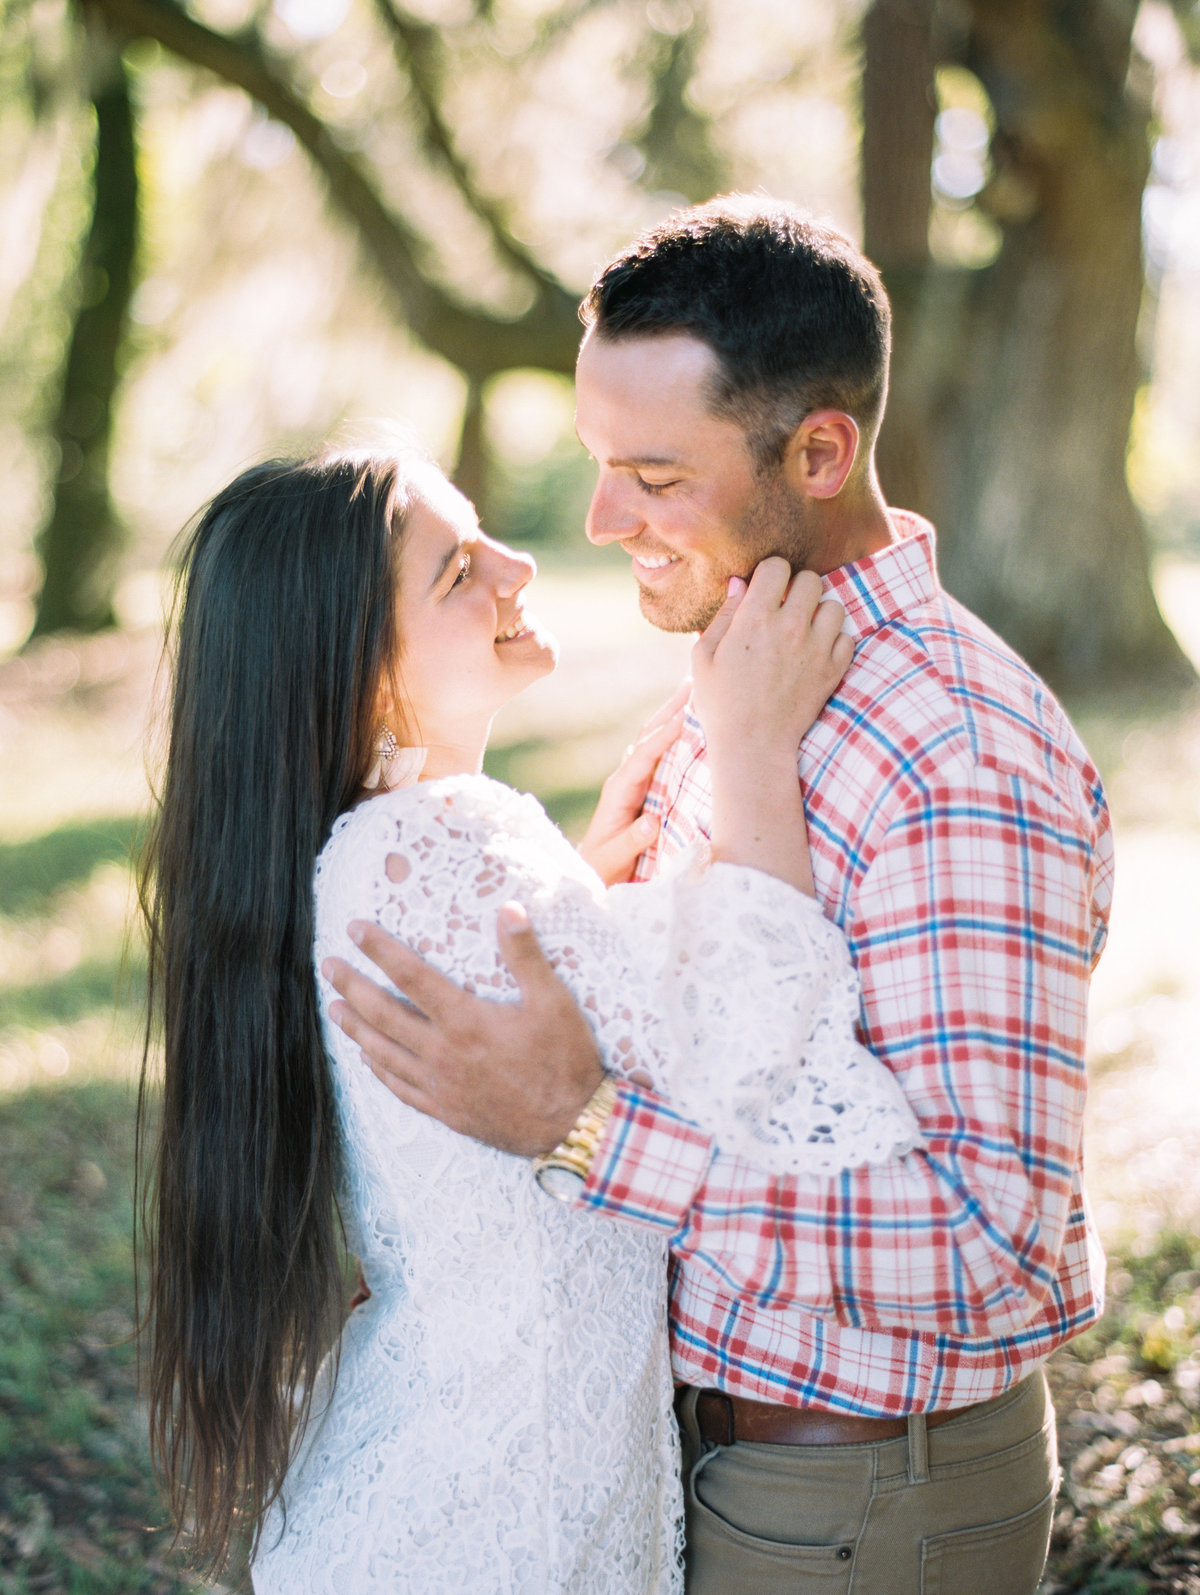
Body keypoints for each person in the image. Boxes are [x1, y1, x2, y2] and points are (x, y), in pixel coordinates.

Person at [325, 196, 1115, 1594]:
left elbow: (981, 1240)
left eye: (654, 472)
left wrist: (581, 1129)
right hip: (708, 1449)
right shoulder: (750, 665)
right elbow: (734, 1034)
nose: (600, 516)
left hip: (863, 1485)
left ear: (818, 450)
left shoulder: (956, 761)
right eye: (597, 460)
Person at [136, 442, 924, 1593]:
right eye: (458, 570)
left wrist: (583, 904)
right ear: (358, 672)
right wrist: (753, 741)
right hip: (494, 1517)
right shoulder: (430, 847)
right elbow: (757, 1048)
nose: (517, 561)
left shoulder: (388, 845)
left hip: (473, 1483)